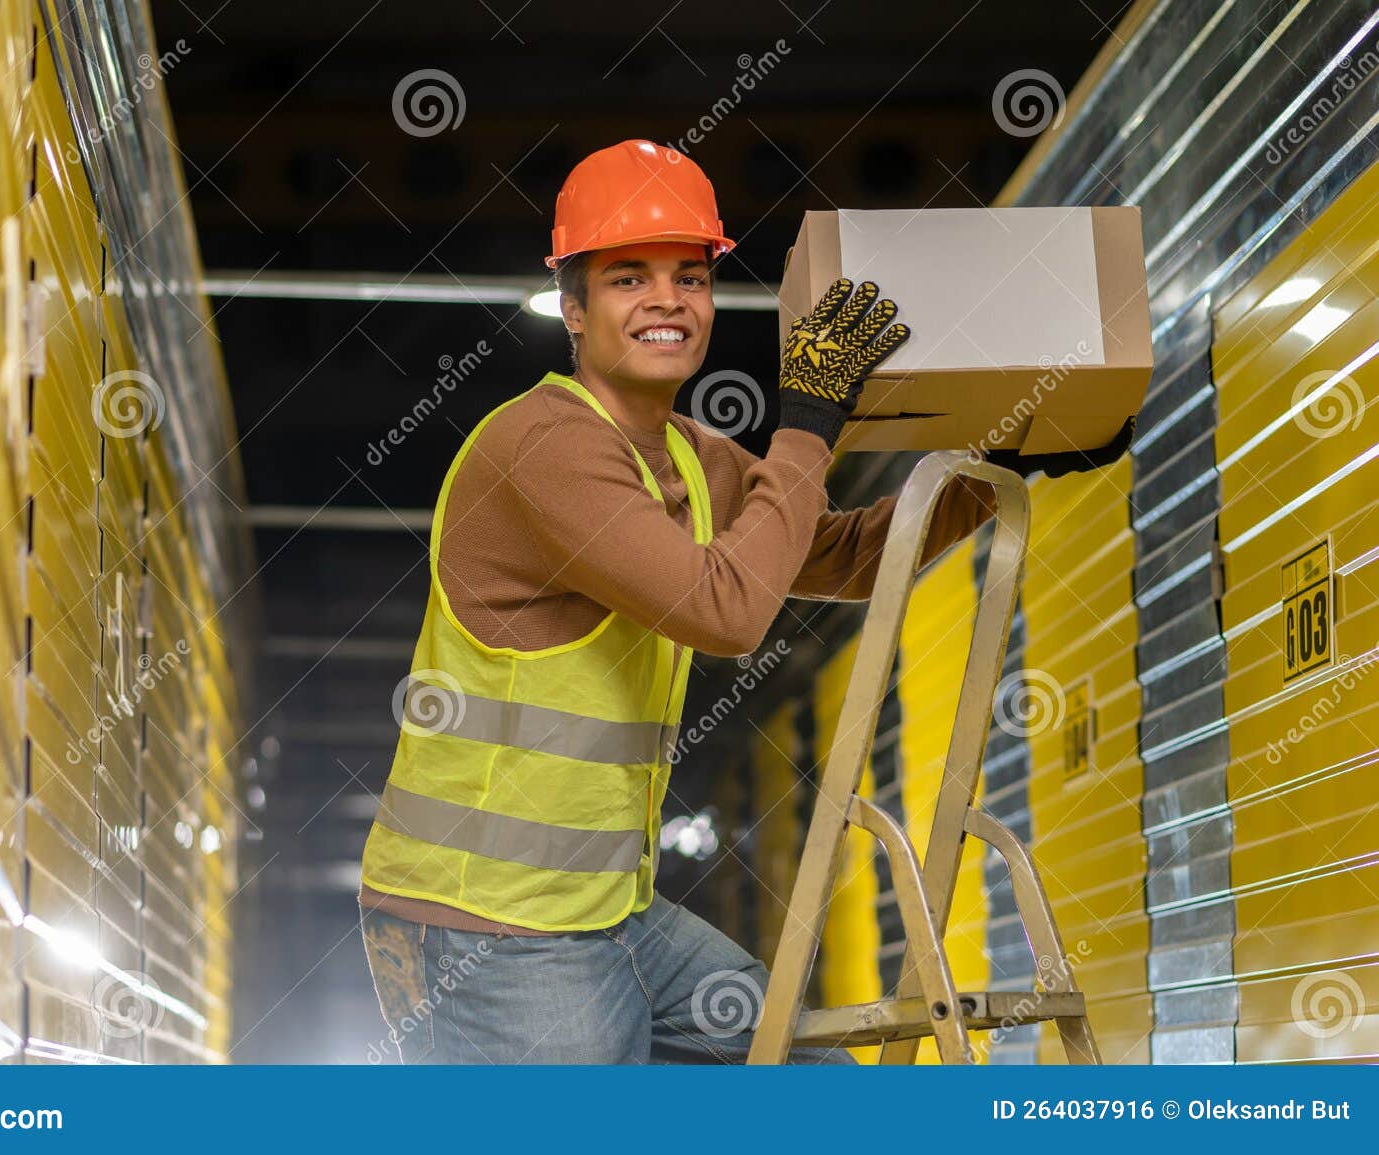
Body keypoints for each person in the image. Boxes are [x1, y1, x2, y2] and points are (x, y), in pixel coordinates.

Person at [356, 139, 1130, 1064]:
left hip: (609, 912)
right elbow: (724, 611)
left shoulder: (688, 454)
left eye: (690, 276)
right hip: (487, 926)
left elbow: (835, 551)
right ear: (571, 306)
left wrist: (999, 465)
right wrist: (807, 422)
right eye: (627, 278)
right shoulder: (541, 448)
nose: (666, 301)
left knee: (811, 1076)